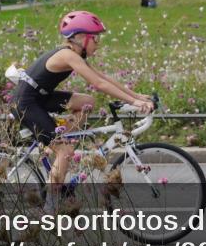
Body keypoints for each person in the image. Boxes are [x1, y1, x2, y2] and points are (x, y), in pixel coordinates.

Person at [11, 10, 155, 195]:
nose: (98, 43)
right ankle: (49, 207)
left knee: (87, 101)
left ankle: (58, 142)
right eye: (95, 38)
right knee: (65, 150)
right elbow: (98, 83)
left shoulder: (75, 54)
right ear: (80, 37)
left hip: (41, 97)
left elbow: (102, 77)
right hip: (26, 103)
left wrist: (137, 96)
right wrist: (134, 102)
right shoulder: (67, 55)